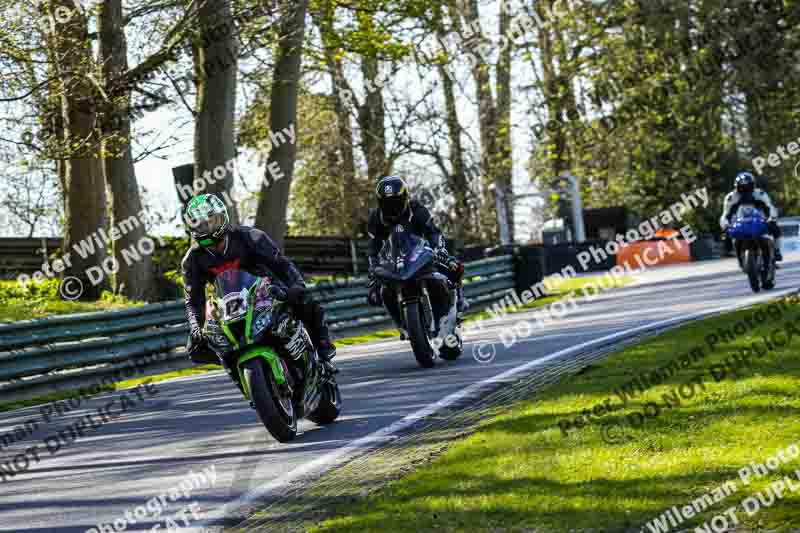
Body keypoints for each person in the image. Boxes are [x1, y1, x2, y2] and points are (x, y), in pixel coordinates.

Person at [181, 194, 337, 377]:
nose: (206, 227)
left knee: (307, 302)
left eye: (211, 221)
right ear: (191, 227)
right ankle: (235, 367)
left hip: (269, 292)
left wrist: (296, 285)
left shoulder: (250, 237)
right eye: (199, 224)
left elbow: (282, 264)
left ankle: (323, 351)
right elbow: (193, 300)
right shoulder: (191, 260)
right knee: (194, 347)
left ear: (222, 217)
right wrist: (196, 326)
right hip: (229, 305)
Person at [365, 175, 467, 330]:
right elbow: (373, 247)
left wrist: (439, 249)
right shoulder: (375, 218)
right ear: (380, 203)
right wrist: (373, 269)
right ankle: (402, 324)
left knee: (453, 265)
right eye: (387, 203)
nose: (392, 207)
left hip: (420, 253)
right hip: (394, 262)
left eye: (396, 202)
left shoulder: (417, 209)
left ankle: (459, 298)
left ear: (405, 198)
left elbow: (433, 232)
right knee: (381, 291)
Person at [720, 171, 782, 262]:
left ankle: (776, 250)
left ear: (753, 185)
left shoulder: (760, 193)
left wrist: (771, 218)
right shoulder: (731, 197)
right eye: (742, 187)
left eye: (748, 187)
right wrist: (725, 225)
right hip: (739, 223)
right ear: (736, 187)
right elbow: (725, 214)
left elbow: (769, 206)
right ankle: (728, 250)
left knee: (775, 228)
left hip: (759, 221)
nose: (745, 190)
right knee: (725, 234)